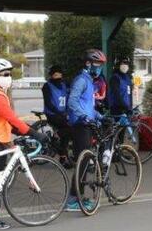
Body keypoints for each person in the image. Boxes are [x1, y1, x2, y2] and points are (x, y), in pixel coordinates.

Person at [0, 58, 46, 230]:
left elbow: (2, 122)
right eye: (4, 74)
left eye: (9, 74)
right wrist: (34, 134)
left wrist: (14, 135)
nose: (8, 77)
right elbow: (12, 119)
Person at [66, 49, 106, 212]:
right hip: (80, 125)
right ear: (88, 64)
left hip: (86, 124)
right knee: (83, 162)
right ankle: (74, 200)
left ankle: (76, 197)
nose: (99, 68)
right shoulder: (81, 80)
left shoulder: (89, 81)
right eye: (97, 64)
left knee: (84, 162)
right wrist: (83, 117)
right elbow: (72, 102)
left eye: (101, 65)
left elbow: (88, 107)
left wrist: (100, 116)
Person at [41, 65, 72, 165]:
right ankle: (55, 137)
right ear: (51, 75)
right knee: (68, 128)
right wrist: (60, 113)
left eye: (59, 74)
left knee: (69, 129)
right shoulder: (47, 86)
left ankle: (62, 156)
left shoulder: (64, 85)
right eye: (55, 74)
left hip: (63, 114)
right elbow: (48, 103)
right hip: (52, 114)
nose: (57, 76)